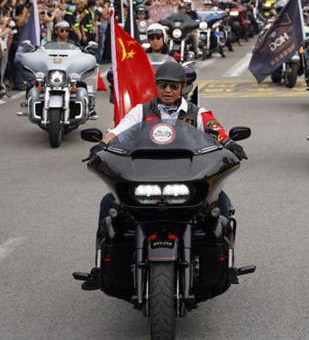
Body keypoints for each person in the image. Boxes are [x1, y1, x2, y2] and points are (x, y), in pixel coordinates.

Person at [96, 60, 246, 223]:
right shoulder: (141, 111)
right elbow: (118, 132)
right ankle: (106, 247)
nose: (167, 90)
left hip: (188, 175)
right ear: (157, 86)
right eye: (163, 86)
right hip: (145, 173)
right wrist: (102, 145)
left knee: (219, 200)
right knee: (109, 203)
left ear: (182, 87)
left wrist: (230, 144)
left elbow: (217, 131)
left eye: (173, 87)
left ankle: (223, 247)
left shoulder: (197, 113)